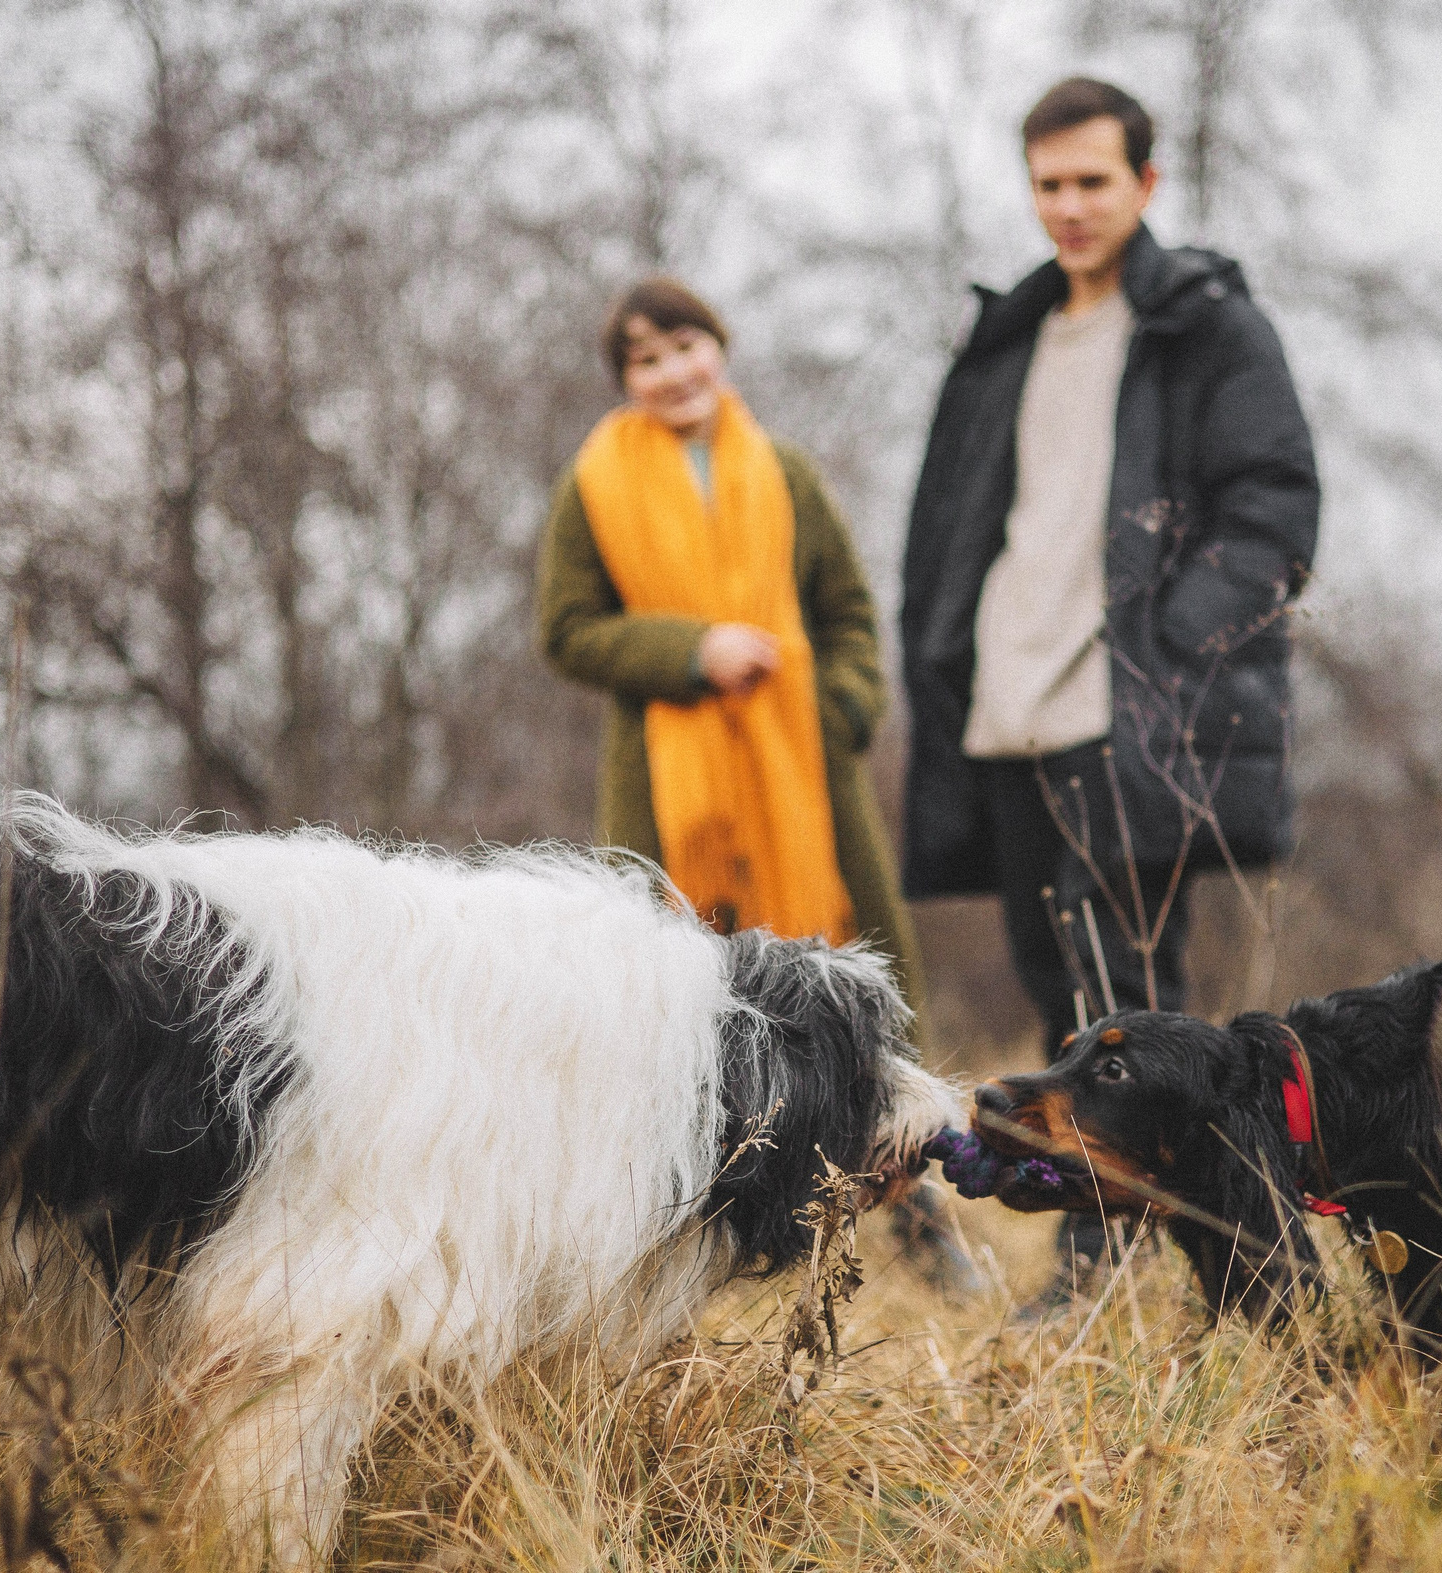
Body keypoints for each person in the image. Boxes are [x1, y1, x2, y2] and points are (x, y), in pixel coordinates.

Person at [899, 78, 1321, 1302]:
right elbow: (953, 525)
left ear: (1145, 183)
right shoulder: (1005, 338)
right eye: (1048, 184)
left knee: (1130, 991)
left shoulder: (1209, 328)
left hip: (1137, 710)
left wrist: (1168, 647)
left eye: (1093, 180)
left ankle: (1129, 1256)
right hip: (1009, 699)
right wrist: (947, 648)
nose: (1069, 206)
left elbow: (1274, 512)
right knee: (1054, 981)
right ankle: (1097, 1238)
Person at [539, 278, 922, 1004]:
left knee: (855, 981)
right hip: (661, 772)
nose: (675, 372)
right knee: (672, 982)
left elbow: (849, 611)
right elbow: (565, 629)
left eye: (687, 346)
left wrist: (844, 710)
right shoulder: (592, 485)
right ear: (626, 380)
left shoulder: (788, 472)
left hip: (804, 758)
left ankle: (892, 1119)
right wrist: (692, 652)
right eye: (647, 360)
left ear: (718, 347)